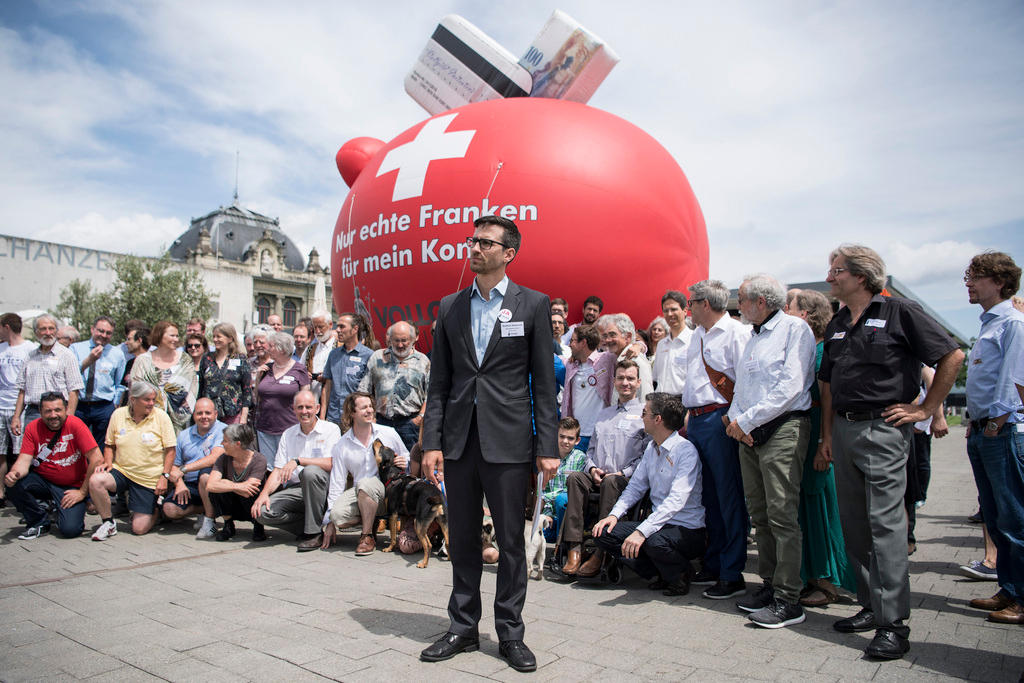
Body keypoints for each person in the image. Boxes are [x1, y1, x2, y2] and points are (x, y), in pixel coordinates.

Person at [420, 215, 558, 673]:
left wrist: (549, 446)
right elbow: (439, 382)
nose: (474, 247)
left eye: (485, 242)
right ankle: (462, 627)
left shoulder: (533, 305)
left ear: (509, 253)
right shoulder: (450, 306)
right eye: (471, 240)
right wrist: (431, 441)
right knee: (461, 538)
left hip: (510, 441)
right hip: (458, 441)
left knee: (511, 544)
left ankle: (510, 634)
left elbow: (543, 384)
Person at [818, 244, 963, 659]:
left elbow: (952, 354)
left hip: (883, 429)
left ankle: (894, 624)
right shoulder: (839, 321)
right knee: (854, 525)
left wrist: (927, 408)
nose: (829, 277)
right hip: (843, 431)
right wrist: (828, 436)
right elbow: (827, 384)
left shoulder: (901, 311)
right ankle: (871, 605)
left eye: (836, 270)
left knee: (884, 526)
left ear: (860, 276)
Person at [725, 274, 816, 629]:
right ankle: (769, 584)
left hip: (782, 428)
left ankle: (789, 597)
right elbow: (742, 387)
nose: (740, 305)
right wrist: (737, 421)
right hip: (749, 432)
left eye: (743, 299)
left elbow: (791, 387)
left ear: (761, 302)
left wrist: (745, 421)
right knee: (759, 514)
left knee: (781, 514)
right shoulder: (752, 336)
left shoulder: (795, 330)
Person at [592, 392, 706, 597]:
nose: (641, 417)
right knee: (604, 534)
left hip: (686, 528)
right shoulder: (652, 450)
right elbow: (635, 488)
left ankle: (680, 573)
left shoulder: (685, 451)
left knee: (654, 541)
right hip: (658, 525)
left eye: (644, 413)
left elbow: (675, 502)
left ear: (658, 419)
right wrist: (613, 515)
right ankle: (661, 573)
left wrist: (642, 531)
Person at [962, 252, 1024, 625]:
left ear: (999, 282)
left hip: (999, 432)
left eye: (976, 276)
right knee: (997, 515)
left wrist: (996, 422)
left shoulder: (1012, 324)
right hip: (983, 428)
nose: (968, 283)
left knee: (1014, 516)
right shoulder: (988, 325)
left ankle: (1021, 598)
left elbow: (1013, 380)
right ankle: (1009, 589)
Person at [682, 279, 751, 600]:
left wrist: (731, 418)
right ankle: (714, 561)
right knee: (707, 497)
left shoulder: (737, 333)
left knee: (728, 496)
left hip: (721, 418)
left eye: (691, 303)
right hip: (696, 419)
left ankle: (732, 571)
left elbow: (746, 382)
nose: (688, 308)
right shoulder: (697, 333)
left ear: (705, 304)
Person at [789, 289, 857, 607]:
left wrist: (822, 444)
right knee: (807, 507)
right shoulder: (808, 349)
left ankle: (827, 580)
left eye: (789, 308)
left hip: (819, 432)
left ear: (805, 314)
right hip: (807, 433)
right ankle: (814, 575)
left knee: (820, 507)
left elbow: (828, 400)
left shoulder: (822, 350)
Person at [561, 359, 647, 577]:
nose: (625, 383)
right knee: (575, 478)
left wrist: (621, 473)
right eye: (620, 378)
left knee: (611, 481)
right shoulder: (604, 414)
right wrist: (591, 469)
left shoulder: (644, 416)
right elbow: (590, 451)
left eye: (630, 378)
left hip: (624, 479)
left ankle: (601, 549)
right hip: (599, 475)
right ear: (614, 381)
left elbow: (645, 458)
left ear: (638, 382)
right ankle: (574, 548)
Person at [5, 392, 101, 538]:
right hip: (44, 481)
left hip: (72, 486)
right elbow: (24, 460)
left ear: (66, 409)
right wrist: (14, 473)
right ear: (40, 412)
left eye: (57, 410)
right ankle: (38, 522)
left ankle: (63, 510)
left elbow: (96, 459)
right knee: (13, 484)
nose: (53, 415)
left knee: (70, 530)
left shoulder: (75, 424)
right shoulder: (32, 427)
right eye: (48, 411)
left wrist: (82, 492)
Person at [89, 380, 177, 540]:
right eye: (147, 400)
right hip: (122, 471)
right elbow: (109, 444)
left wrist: (164, 477)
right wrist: (108, 461)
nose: (151, 403)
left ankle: (156, 510)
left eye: (153, 399)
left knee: (139, 529)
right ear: (133, 399)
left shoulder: (161, 417)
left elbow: (170, 450)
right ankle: (108, 523)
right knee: (96, 480)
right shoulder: (118, 414)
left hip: (148, 477)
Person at [321, 392, 407, 553]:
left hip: (386, 492)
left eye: (370, 407)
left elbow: (406, 456)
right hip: (360, 493)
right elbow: (337, 483)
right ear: (352, 413)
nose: (369, 410)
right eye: (363, 408)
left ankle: (367, 536)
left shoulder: (388, 433)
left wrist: (404, 461)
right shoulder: (342, 444)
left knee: (365, 484)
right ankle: (372, 518)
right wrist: (330, 523)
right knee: (337, 516)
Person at [253, 390, 339, 550]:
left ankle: (312, 534)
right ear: (293, 409)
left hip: (322, 489)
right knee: (263, 512)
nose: (304, 412)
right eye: (300, 407)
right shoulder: (288, 434)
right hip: (296, 490)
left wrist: (299, 461)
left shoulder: (331, 430)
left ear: (317, 408)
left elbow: (332, 463)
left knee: (309, 472)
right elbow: (278, 470)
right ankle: (310, 525)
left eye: (308, 407)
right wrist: (263, 494)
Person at [357, 320, 430, 450]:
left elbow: (430, 394)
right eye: (396, 340)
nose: (400, 344)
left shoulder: (423, 362)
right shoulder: (377, 357)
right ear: (390, 339)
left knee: (410, 465)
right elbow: (364, 390)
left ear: (413, 339)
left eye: (404, 340)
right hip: (381, 423)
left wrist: (420, 418)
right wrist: (371, 417)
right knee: (381, 465)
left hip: (410, 425)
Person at [162, 398, 225, 539]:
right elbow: (173, 466)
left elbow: (214, 458)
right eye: (199, 413)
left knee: (205, 476)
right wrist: (179, 484)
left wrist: (184, 470)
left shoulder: (223, 430)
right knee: (169, 509)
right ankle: (204, 510)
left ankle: (209, 522)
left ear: (215, 414)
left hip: (213, 482)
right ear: (194, 415)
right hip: (191, 484)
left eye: (208, 413)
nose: (204, 417)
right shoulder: (184, 435)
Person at [12, 315, 83, 438]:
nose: (48, 333)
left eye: (51, 328)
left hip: (57, 414)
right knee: (34, 454)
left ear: (56, 331)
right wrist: (16, 417)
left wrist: (69, 418)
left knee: (58, 453)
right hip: (33, 413)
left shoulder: (67, 355)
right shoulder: (30, 357)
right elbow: (22, 390)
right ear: (36, 332)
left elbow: (74, 390)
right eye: (43, 329)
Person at [70, 316, 127, 450]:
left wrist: (115, 404)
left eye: (108, 333)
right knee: (76, 444)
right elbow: (70, 375)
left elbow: (119, 384)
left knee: (101, 446)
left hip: (104, 406)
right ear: (92, 329)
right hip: (80, 405)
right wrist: (87, 361)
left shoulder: (117, 354)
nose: (104, 335)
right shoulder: (76, 349)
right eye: (100, 331)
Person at [131, 321, 197, 434]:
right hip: (147, 422)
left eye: (177, 336)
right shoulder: (143, 361)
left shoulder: (185, 360)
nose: (176, 339)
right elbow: (135, 390)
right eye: (172, 335)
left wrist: (182, 413)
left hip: (178, 424)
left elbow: (192, 389)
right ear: (159, 335)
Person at [206, 423, 268, 542]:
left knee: (252, 492)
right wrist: (236, 486)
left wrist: (225, 483)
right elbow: (210, 485)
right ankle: (228, 525)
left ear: (237, 444)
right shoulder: (223, 458)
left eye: (225, 441)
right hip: (232, 502)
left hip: (249, 504)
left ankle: (258, 525)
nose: (221, 444)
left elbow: (249, 488)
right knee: (217, 492)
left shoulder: (259, 460)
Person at [254, 331, 310, 460]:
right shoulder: (266, 369)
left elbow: (306, 398)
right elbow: (256, 397)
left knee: (287, 466)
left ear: (282, 349)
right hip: (265, 427)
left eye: (271, 346)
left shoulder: (299, 370)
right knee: (269, 467)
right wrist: (258, 377)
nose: (268, 348)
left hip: (289, 427)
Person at [0, 313, 37, 504]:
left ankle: (21, 492)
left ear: (6, 327)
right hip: (1, 405)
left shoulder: (30, 348)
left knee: (21, 452)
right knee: (1, 452)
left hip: (19, 406)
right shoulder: (1, 348)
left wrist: (19, 411)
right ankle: (1, 492)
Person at [561, 325, 615, 454]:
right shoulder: (571, 364)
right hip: (576, 434)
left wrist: (640, 345)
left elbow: (626, 350)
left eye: (573, 340)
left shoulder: (606, 359)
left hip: (600, 433)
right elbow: (553, 357)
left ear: (583, 342)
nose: (569, 344)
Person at [539, 417, 587, 542]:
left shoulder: (580, 458)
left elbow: (572, 491)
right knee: (538, 535)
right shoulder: (548, 458)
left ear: (577, 440)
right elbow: (543, 490)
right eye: (562, 436)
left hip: (566, 514)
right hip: (549, 514)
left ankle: (565, 542)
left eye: (570, 438)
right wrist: (545, 515)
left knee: (562, 499)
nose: (565, 441)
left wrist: (547, 499)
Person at [320, 313, 372, 425]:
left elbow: (372, 391)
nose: (337, 330)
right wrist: (322, 417)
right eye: (337, 326)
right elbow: (327, 386)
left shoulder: (368, 355)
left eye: (342, 327)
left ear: (355, 329)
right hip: (333, 418)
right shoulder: (334, 354)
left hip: (356, 419)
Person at [198, 322, 252, 425]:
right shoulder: (207, 358)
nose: (215, 339)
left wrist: (243, 417)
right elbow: (201, 387)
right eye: (213, 336)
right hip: (209, 414)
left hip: (232, 414)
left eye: (218, 337)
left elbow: (247, 391)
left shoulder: (241, 359)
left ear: (230, 339)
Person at [596, 313, 653, 400]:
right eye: (605, 336)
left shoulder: (637, 361)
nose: (607, 340)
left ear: (628, 337)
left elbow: (645, 397)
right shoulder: (613, 357)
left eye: (612, 335)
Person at [652, 290, 694, 396]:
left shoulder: (694, 340)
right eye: (666, 311)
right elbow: (656, 377)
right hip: (661, 403)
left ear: (685, 310)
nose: (670, 314)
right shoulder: (662, 344)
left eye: (674, 309)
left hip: (684, 404)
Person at [303, 311, 338, 399]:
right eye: (315, 328)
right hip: (313, 400)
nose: (318, 331)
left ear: (330, 325)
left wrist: (327, 376)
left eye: (321, 327)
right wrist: (305, 375)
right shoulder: (310, 349)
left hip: (332, 401)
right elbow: (299, 369)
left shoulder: (340, 348)